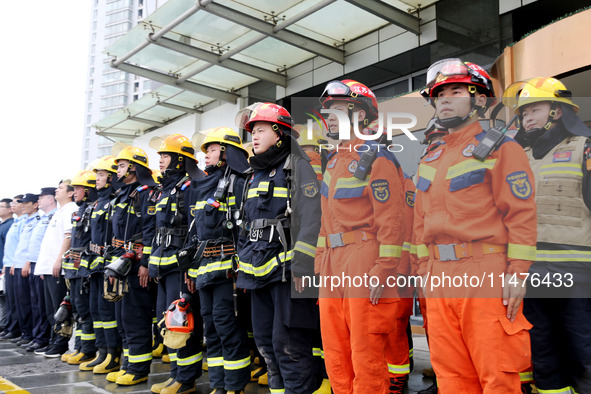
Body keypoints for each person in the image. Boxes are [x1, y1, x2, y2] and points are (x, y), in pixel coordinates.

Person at [413, 58, 537, 392]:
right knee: (451, 376)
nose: (445, 99)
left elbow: (521, 214)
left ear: (479, 99)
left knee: (496, 372)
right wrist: (424, 269)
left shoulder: (501, 148)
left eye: (455, 91)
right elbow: (419, 222)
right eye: (439, 94)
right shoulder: (431, 157)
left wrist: (517, 272)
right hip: (439, 277)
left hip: (484, 271)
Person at [314, 79, 409, 393]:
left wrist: (383, 268)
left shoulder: (377, 158)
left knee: (366, 349)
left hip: (362, 257)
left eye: (337, 109)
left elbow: (392, 220)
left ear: (359, 113)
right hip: (332, 263)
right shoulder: (333, 161)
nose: (328, 115)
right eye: (327, 110)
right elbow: (325, 221)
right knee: (336, 348)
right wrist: (319, 263)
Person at [505, 77, 591, 394]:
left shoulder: (585, 147)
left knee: (582, 346)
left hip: (576, 272)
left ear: (557, 111)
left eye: (534, 109)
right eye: (523, 112)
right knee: (541, 348)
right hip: (531, 271)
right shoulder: (518, 156)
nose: (526, 117)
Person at [235, 102, 321, 393]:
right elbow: (246, 225)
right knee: (265, 344)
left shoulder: (297, 166)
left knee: (289, 345)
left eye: (259, 130)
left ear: (279, 132)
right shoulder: (254, 173)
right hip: (258, 273)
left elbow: (311, 219)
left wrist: (302, 267)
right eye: (252, 133)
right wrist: (243, 269)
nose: (254, 138)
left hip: (288, 274)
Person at [187, 127, 251, 394]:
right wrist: (190, 270)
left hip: (227, 270)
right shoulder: (204, 187)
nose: (206, 155)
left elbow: (243, 228)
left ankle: (234, 385)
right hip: (204, 270)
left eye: (212, 149)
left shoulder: (238, 181)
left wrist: (242, 269)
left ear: (226, 152)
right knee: (210, 329)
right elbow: (196, 232)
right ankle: (218, 385)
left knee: (227, 326)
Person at [148, 134, 205, 394]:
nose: (160, 161)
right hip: (164, 266)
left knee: (182, 323)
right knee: (168, 323)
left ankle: (186, 379)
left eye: (166, 156)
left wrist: (190, 268)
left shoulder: (191, 185)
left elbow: (195, 230)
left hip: (181, 269)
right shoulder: (166, 188)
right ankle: (175, 375)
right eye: (159, 156)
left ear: (181, 160)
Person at [104, 146, 157, 385]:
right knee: (123, 319)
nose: (118, 170)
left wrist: (145, 263)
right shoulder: (122, 194)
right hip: (121, 265)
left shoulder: (146, 192)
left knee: (136, 318)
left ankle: (139, 369)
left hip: (137, 267)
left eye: (123, 165)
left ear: (134, 167)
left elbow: (149, 230)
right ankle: (128, 364)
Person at [77, 156, 123, 374]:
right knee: (96, 309)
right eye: (97, 175)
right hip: (94, 267)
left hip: (108, 266)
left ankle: (113, 355)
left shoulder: (114, 202)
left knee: (108, 311)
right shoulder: (97, 204)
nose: (97, 179)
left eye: (102, 175)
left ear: (112, 178)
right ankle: (101, 352)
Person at [36, 180, 77, 357]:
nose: (56, 191)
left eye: (60, 188)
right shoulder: (59, 212)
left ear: (70, 192)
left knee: (60, 309)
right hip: (48, 268)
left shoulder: (70, 209)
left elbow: (68, 237)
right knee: (50, 309)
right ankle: (53, 341)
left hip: (58, 267)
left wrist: (59, 259)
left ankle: (60, 343)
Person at [61, 170, 98, 366]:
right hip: (73, 268)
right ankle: (80, 348)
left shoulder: (93, 209)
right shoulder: (79, 210)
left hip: (85, 268)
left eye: (78, 188)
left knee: (85, 309)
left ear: (89, 189)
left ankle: (88, 350)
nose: (74, 192)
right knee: (77, 309)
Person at [21, 187, 57, 353]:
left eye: (42, 197)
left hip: (44, 266)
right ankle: (38, 337)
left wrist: (45, 265)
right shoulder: (44, 218)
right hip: (37, 264)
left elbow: (51, 245)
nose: (39, 200)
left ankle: (43, 338)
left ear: (50, 199)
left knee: (43, 306)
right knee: (37, 304)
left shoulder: (53, 216)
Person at [12, 193, 42, 347]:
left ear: (35, 204)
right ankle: (25, 332)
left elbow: (34, 246)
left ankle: (31, 334)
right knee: (21, 302)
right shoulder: (25, 221)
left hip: (27, 265)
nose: (23, 205)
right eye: (21, 203)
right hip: (18, 264)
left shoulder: (38, 220)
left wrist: (27, 263)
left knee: (30, 302)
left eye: (26, 203)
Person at [0, 198, 15, 333]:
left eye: (1, 207)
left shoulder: (10, 225)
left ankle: (4, 325)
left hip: (4, 267)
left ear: (9, 209)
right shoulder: (2, 225)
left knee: (5, 299)